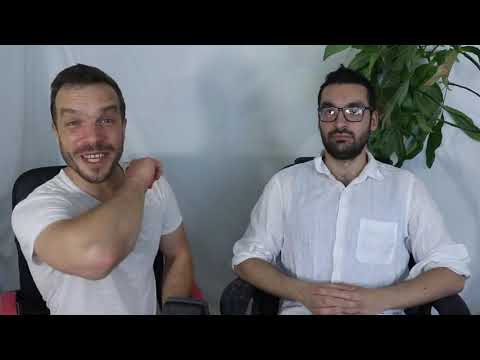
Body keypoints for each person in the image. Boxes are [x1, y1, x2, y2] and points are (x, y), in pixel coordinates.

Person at [232, 65, 470, 315]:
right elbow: (247, 259)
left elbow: (452, 272)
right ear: (319, 119)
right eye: (330, 111)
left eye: (354, 111)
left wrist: (379, 299)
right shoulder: (285, 184)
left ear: (374, 120)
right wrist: (302, 292)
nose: (340, 122)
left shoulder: (405, 187)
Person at [12, 64, 194, 314]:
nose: (93, 138)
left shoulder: (155, 186)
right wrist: (137, 182)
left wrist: (175, 311)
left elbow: (179, 253)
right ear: (56, 132)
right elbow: (99, 257)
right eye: (74, 123)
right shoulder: (34, 209)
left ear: (124, 125)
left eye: (106, 120)